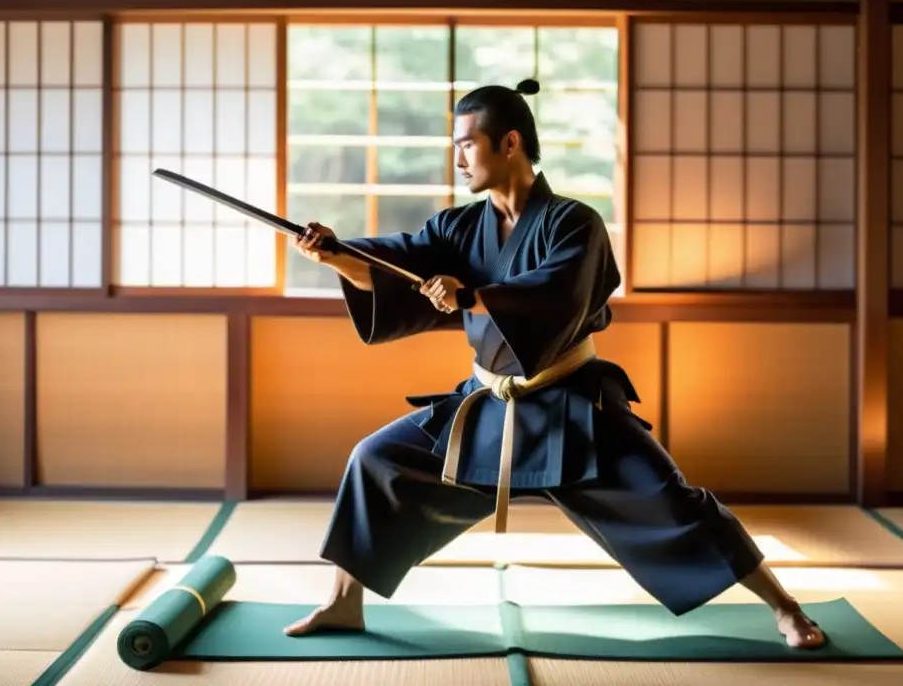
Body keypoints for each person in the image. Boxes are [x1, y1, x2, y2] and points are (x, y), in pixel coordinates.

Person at [282, 78, 826, 650]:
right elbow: (395, 267)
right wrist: (337, 254)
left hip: (573, 406)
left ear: (509, 143)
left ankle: (785, 607)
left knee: (671, 499)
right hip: (489, 404)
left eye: (468, 143)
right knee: (375, 460)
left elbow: (557, 295)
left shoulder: (574, 222)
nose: (458, 157)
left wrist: (472, 295)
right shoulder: (458, 226)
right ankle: (343, 603)